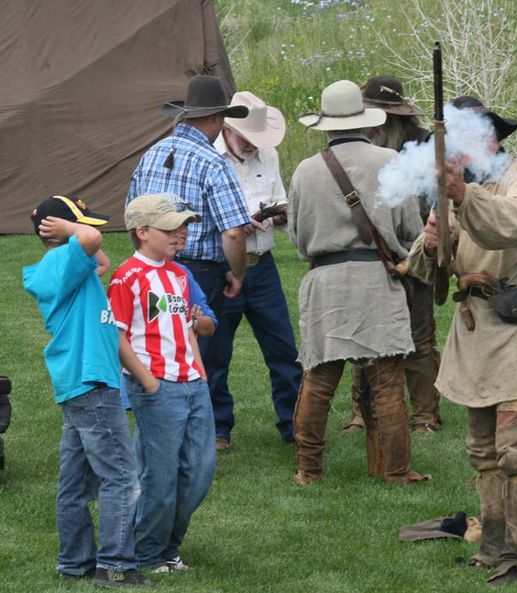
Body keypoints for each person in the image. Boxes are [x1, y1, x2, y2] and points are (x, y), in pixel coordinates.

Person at [407, 96, 517, 586]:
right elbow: (425, 270)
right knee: (481, 449)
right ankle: (492, 541)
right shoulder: (459, 190)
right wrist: (431, 245)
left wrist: (461, 197)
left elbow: (506, 227)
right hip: (474, 329)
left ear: (488, 139)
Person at [288, 80, 427, 486]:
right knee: (386, 381)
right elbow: (410, 229)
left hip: (325, 279)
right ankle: (397, 471)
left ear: (326, 125)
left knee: (318, 380)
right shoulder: (389, 161)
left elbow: (297, 238)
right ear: (366, 122)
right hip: (376, 280)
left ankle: (308, 471)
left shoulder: (305, 169)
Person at [22, 195, 148, 588]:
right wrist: (69, 231)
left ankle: (74, 561)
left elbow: (100, 257)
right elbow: (91, 241)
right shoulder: (62, 262)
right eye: (80, 224)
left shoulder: (70, 270)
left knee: (75, 483)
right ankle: (115, 565)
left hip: (79, 384)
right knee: (121, 476)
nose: (92, 232)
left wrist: (73, 233)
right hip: (92, 383)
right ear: (58, 231)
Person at [108, 194, 215, 573]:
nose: (180, 233)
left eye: (183, 225)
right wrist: (148, 383)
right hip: (159, 388)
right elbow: (117, 336)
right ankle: (150, 552)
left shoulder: (179, 275)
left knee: (200, 471)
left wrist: (199, 371)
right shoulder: (127, 277)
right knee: (160, 474)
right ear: (142, 231)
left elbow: (191, 329)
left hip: (192, 383)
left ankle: (167, 547)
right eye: (170, 227)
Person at [126, 75, 251, 400]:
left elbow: (132, 215)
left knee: (157, 342)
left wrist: (144, 260)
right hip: (198, 272)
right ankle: (207, 426)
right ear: (214, 118)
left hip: (150, 266)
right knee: (201, 351)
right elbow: (234, 233)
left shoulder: (150, 154)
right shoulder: (213, 162)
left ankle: (156, 409)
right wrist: (236, 274)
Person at [343, 74, 442, 434]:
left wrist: (423, 246)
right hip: (369, 254)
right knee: (364, 335)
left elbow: (435, 204)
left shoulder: (423, 148)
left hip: (415, 250)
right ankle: (362, 412)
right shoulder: (357, 147)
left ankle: (425, 415)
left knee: (418, 336)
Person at [211, 91, 302, 450]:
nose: (253, 147)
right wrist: (236, 221)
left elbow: (281, 202)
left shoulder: (269, 154)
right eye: (249, 139)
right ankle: (218, 428)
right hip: (221, 266)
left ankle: (294, 423)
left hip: (262, 266)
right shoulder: (209, 158)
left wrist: (274, 214)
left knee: (283, 348)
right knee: (216, 352)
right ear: (229, 130)